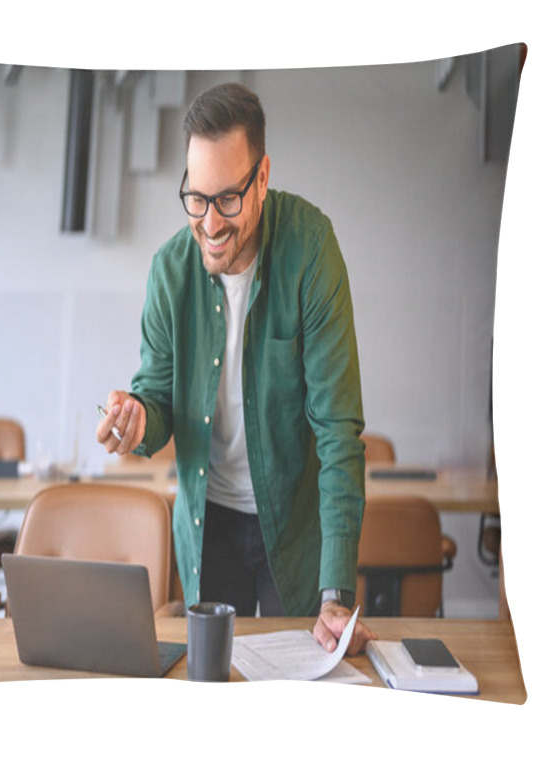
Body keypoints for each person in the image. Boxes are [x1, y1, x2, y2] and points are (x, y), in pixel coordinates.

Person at [97, 82, 374, 655]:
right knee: (208, 685)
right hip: (208, 526)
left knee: (296, 683)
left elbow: (338, 430)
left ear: (263, 178)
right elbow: (158, 401)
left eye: (228, 199)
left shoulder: (311, 249)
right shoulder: (170, 271)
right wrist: (136, 421)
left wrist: (335, 592)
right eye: (196, 199)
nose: (210, 222)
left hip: (294, 533)